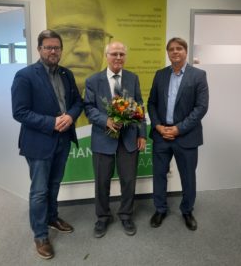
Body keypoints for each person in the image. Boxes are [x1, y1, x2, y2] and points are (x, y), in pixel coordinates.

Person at [11, 30, 84, 259]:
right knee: (39, 191)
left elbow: (77, 103)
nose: (53, 51)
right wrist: (52, 122)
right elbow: (20, 112)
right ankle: (40, 235)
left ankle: (52, 218)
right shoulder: (25, 75)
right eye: (48, 47)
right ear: (39, 49)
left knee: (54, 185)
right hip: (39, 142)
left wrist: (70, 117)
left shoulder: (66, 73)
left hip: (63, 140)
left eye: (57, 47)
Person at [84, 41, 147, 237]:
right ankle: (102, 217)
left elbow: (139, 107)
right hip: (103, 140)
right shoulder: (93, 80)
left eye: (121, 54)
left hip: (128, 140)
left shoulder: (132, 78)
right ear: (106, 56)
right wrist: (106, 120)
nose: (118, 57)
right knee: (102, 181)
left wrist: (142, 134)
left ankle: (126, 215)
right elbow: (89, 108)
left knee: (128, 181)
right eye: (114, 54)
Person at [147, 37, 209, 231]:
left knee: (188, 176)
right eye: (171, 49)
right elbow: (152, 103)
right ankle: (160, 209)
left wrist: (179, 128)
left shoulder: (198, 75)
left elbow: (201, 107)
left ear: (185, 51)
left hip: (186, 136)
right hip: (161, 135)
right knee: (159, 174)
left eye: (179, 48)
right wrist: (157, 126)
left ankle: (187, 210)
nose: (175, 52)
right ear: (168, 53)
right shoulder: (160, 75)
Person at [46, 0, 112, 125]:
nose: (85, 49)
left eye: (95, 36)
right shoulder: (29, 80)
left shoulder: (105, 100)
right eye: (68, 33)